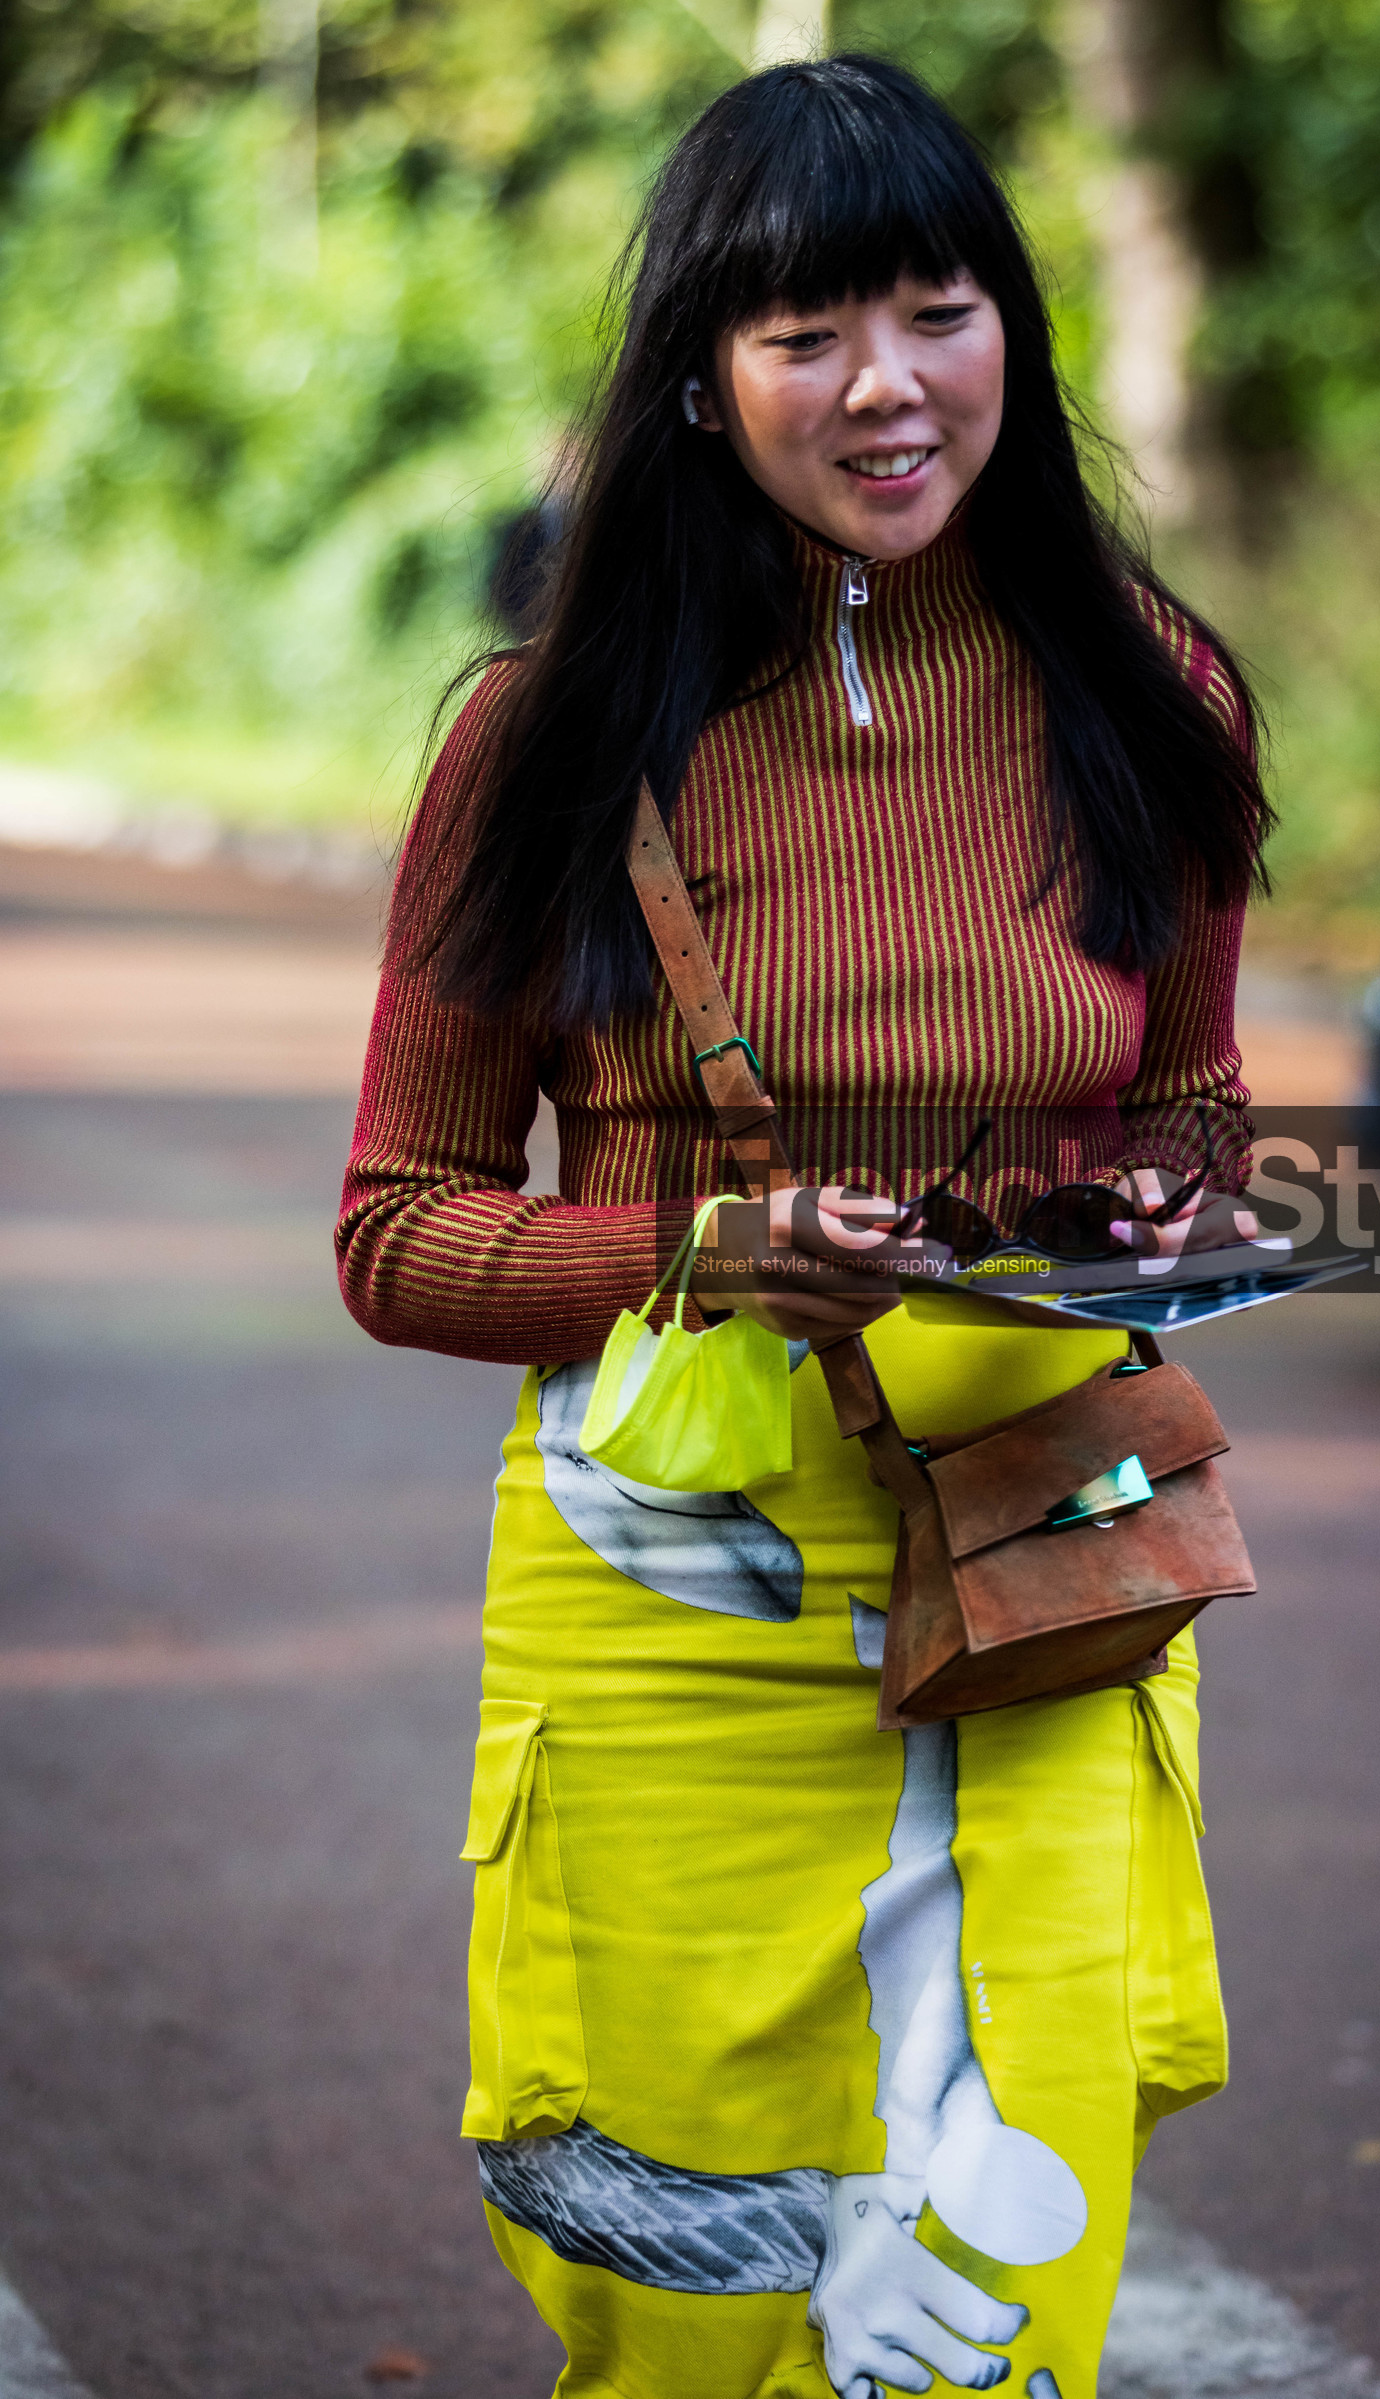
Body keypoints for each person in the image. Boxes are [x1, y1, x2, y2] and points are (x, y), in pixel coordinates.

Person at [338, 53, 1273, 2399]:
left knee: (992, 2279)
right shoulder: (543, 744)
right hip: (673, 1594)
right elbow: (397, 1227)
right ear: (697, 379)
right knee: (684, 2288)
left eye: (936, 314)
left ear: (1012, 337)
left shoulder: (1144, 694)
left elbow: (1185, 1098)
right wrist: (697, 1258)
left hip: (1040, 1569)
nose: (885, 388)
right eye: (803, 336)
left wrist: (1157, 1199)